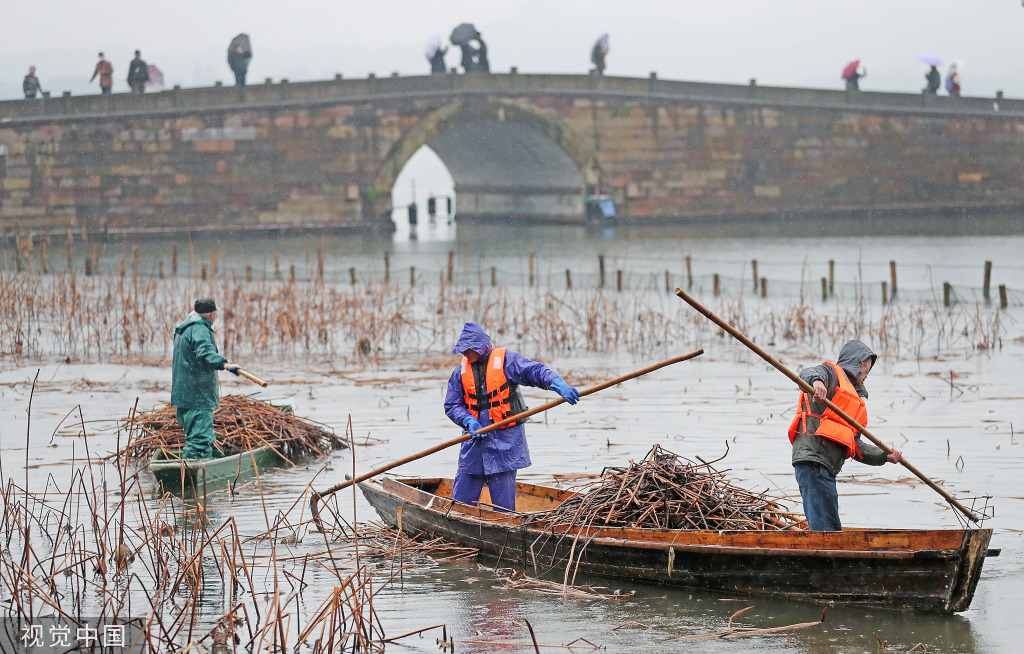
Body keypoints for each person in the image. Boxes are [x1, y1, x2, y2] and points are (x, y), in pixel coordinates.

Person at [444, 322, 580, 511]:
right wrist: (467, 421)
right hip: (474, 443)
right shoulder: (461, 370)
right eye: (462, 350)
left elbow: (535, 371)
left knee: (504, 509)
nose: (465, 354)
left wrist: (558, 384)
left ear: (480, 347)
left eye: (468, 349)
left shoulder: (507, 360)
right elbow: (451, 405)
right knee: (459, 505)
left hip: (505, 444)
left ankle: (505, 528)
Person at [788, 340, 903, 531]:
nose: (866, 375)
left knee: (829, 525)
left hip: (825, 467)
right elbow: (806, 373)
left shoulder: (854, 400)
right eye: (865, 369)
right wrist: (817, 384)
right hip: (812, 459)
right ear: (856, 364)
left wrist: (884, 455)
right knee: (826, 529)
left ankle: (829, 555)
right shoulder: (829, 374)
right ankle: (829, 558)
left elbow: (855, 445)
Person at [170, 299, 241, 459]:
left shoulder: (185, 328)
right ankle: (194, 472)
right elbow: (205, 352)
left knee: (194, 436)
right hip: (198, 393)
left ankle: (186, 472)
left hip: (184, 393)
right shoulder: (199, 329)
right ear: (211, 314)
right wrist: (225, 365)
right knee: (200, 442)